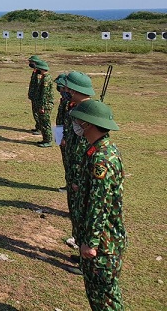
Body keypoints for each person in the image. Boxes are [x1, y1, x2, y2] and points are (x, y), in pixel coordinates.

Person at [69, 99, 126, 310]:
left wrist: (91, 243)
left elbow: (99, 204)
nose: (76, 124)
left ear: (88, 124)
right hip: (105, 240)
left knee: (104, 299)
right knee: (100, 297)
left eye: (79, 120)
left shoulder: (101, 159)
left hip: (103, 245)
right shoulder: (103, 148)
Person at [62, 71, 96, 272]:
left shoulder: (88, 112)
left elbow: (88, 148)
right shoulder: (75, 107)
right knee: (76, 216)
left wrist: (79, 179)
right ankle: (81, 252)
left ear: (75, 90)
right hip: (73, 169)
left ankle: (87, 263)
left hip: (80, 173)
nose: (65, 91)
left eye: (68, 88)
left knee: (82, 216)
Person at [33, 59, 54, 147]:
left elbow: (44, 94)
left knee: (45, 123)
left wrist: (42, 106)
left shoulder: (46, 78)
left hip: (45, 105)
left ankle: (48, 140)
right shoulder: (45, 77)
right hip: (43, 104)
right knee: (43, 122)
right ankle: (45, 139)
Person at [27, 54, 43, 133]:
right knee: (35, 112)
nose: (29, 63)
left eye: (31, 62)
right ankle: (38, 126)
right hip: (34, 96)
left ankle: (40, 128)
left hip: (37, 96)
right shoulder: (35, 71)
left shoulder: (39, 72)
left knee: (37, 112)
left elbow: (39, 85)